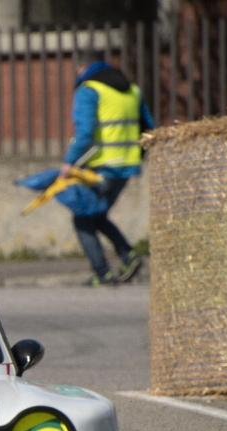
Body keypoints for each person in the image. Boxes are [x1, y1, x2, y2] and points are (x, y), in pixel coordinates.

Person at [62, 50, 155, 287]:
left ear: (81, 69)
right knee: (97, 214)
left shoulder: (89, 90)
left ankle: (102, 273)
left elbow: (84, 133)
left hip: (101, 165)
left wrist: (69, 161)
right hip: (126, 165)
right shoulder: (132, 90)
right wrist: (137, 156)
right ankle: (128, 255)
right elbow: (149, 127)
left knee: (83, 217)